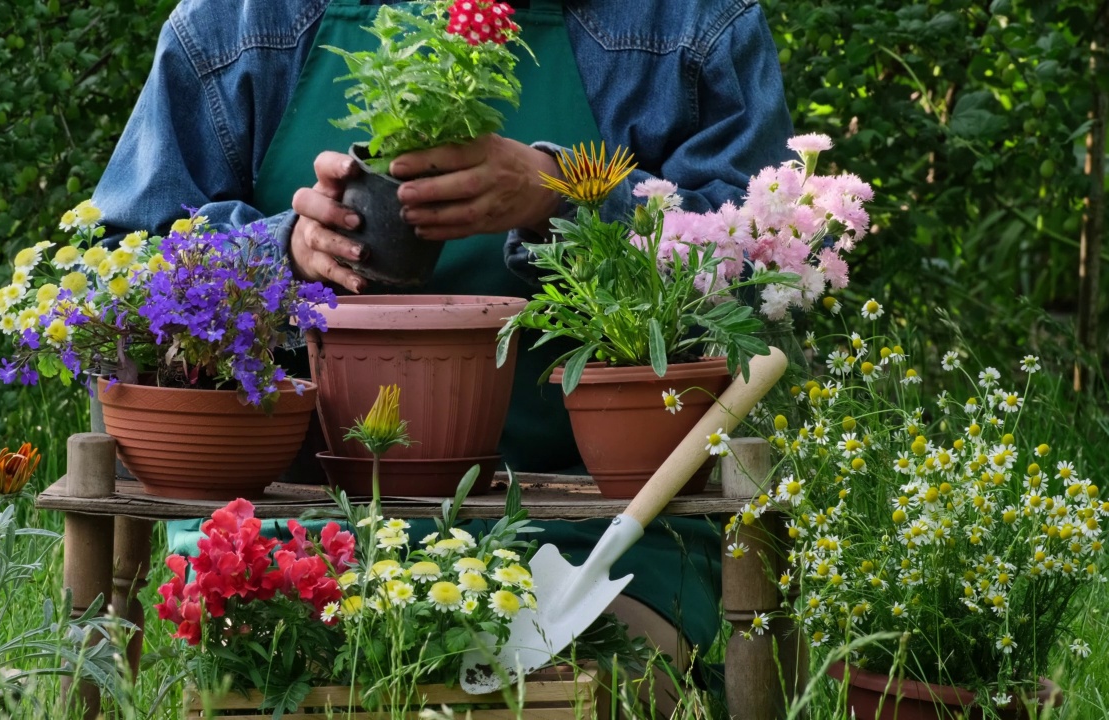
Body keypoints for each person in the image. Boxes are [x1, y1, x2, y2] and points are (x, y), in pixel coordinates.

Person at [91, 0, 794, 702]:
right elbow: (118, 269)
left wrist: (563, 194)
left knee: (588, 694)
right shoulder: (235, 24)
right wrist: (284, 253)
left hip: (599, 527)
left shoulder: (687, 23)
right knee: (287, 689)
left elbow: (766, 261)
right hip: (296, 519)